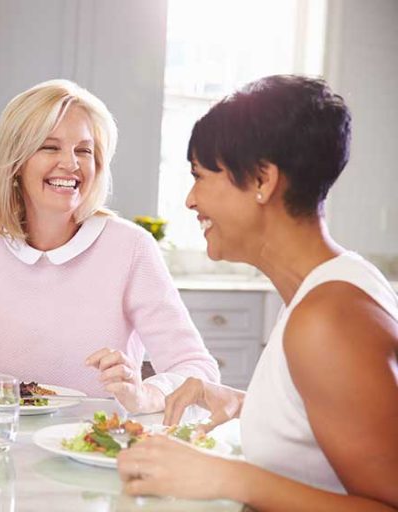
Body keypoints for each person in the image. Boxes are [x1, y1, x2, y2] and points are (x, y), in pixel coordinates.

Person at [117, 75, 398, 510]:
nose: (191, 201)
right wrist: (235, 401)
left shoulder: (329, 320)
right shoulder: (327, 289)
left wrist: (231, 478)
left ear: (263, 179)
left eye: (200, 175)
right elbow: (328, 427)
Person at [0, 79, 219, 413]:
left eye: (85, 150)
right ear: (16, 162)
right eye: (50, 147)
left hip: (96, 452)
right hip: (3, 447)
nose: (71, 163)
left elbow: (198, 369)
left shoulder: (130, 248)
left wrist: (145, 394)